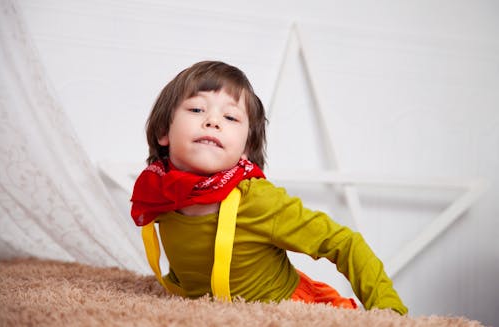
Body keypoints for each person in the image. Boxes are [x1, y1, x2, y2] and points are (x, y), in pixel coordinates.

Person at [131, 60, 408, 315]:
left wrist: (389, 311)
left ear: (246, 149)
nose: (212, 121)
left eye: (230, 117)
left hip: (295, 312)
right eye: (196, 109)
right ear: (163, 132)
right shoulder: (159, 195)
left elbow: (345, 243)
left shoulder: (258, 200)